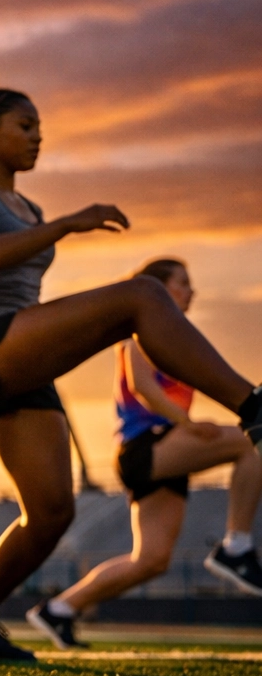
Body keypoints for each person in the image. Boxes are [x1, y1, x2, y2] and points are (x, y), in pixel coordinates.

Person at [0, 89, 262, 662]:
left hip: (17, 362)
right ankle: (253, 407)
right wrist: (68, 224)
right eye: (24, 125)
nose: (37, 136)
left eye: (40, 127)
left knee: (53, 513)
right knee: (142, 296)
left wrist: (53, 224)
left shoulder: (29, 210)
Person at [26, 260, 262, 648]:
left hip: (168, 453)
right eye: (183, 283)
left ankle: (60, 610)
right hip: (146, 447)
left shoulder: (178, 339)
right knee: (249, 437)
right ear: (159, 290)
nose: (191, 291)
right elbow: (141, 386)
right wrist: (186, 425)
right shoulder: (140, 332)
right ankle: (237, 546)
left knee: (151, 560)